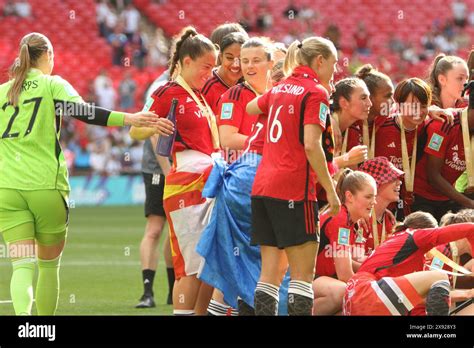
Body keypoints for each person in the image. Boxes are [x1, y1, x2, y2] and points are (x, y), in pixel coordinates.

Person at [0, 32, 165, 316]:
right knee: (49, 266)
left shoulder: (3, 91)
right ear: (48, 55)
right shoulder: (52, 85)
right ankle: (41, 331)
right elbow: (84, 112)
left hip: (7, 190)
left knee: (21, 265)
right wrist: (128, 118)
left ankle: (22, 328)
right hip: (45, 186)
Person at [130, 26, 220, 316]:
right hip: (186, 185)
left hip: (207, 183)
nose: (210, 73)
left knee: (205, 264)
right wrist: (153, 125)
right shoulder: (169, 92)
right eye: (206, 67)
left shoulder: (199, 96)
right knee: (191, 266)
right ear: (187, 61)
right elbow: (134, 130)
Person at [247, 37, 341, 316]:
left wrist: (277, 105)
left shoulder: (279, 89)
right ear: (320, 61)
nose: (334, 73)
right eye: (334, 66)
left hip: (263, 188)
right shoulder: (315, 92)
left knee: (269, 276)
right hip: (293, 191)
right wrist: (332, 193)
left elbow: (253, 107)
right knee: (302, 278)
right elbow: (312, 145)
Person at [196, 37, 278, 316]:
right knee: (235, 259)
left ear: (271, 62)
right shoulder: (233, 95)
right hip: (240, 186)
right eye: (245, 61)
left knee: (248, 258)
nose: (249, 66)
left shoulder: (278, 94)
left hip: (269, 183)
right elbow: (227, 138)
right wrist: (270, 143)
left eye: (256, 60)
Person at [343, 211, 474, 316]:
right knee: (439, 277)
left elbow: (418, 302)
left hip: (355, 299)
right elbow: (471, 229)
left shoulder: (402, 246)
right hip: (367, 292)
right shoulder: (416, 235)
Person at [412, 55, 474, 221]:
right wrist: (427, 110)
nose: (464, 84)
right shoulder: (435, 115)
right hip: (421, 194)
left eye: (466, 79)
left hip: (449, 194)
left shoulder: (463, 107)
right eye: (460, 79)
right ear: (442, 79)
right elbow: (433, 175)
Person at [313, 170, 377, 315]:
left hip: (323, 278)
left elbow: (350, 261)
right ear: (349, 196)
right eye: (368, 197)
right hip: (303, 279)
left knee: (354, 306)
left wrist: (375, 267)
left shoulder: (350, 220)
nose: (374, 202)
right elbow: (345, 274)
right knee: (344, 292)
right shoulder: (339, 219)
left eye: (374, 197)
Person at [375, 78, 432, 219]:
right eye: (412, 106)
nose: (418, 111)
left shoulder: (427, 128)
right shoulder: (381, 126)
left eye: (423, 106)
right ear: (399, 105)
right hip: (377, 200)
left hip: (406, 201)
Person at [358, 157, 403, 254]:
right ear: (376, 184)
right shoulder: (358, 219)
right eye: (393, 178)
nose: (399, 182)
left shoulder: (389, 219)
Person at [201, 32, 247, 115]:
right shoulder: (206, 84)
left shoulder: (248, 85)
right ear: (221, 57)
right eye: (229, 58)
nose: (235, 65)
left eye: (241, 59)